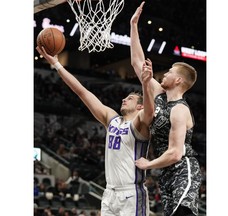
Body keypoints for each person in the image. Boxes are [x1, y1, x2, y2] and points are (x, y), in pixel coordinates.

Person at [36, 44, 155, 215]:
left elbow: (149, 112)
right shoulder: (111, 119)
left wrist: (145, 84)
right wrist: (57, 65)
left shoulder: (140, 124)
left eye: (129, 98)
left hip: (131, 193)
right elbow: (82, 92)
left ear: (139, 106)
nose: (124, 99)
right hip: (109, 193)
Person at [130, 2, 202, 216]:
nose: (165, 74)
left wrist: (148, 164)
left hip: (182, 169)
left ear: (178, 80)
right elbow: (137, 62)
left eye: (170, 71)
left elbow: (176, 153)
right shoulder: (159, 94)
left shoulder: (180, 110)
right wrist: (134, 25)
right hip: (165, 172)